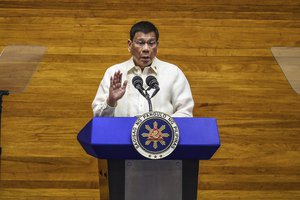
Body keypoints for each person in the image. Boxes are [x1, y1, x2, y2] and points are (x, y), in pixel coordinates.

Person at [92, 21, 194, 117]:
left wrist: (162, 126)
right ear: (129, 45)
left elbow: (185, 113)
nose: (146, 49)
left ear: (157, 46)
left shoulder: (173, 73)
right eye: (140, 43)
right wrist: (111, 101)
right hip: (121, 135)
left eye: (151, 43)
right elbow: (98, 118)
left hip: (160, 135)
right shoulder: (114, 73)